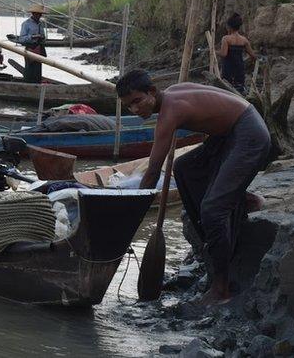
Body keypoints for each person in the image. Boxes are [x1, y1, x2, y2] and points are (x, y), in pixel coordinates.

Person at [116, 69, 271, 305]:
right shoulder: (172, 96)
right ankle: (238, 201)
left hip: (249, 133)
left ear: (152, 92)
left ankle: (221, 288)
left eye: (138, 101)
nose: (135, 109)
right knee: (184, 166)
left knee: (212, 210)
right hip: (227, 136)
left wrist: (131, 217)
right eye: (129, 106)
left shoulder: (170, 111)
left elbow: (153, 172)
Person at [218, 13, 257, 94]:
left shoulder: (226, 39)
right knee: (239, 88)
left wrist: (213, 51)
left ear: (229, 27)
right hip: (239, 68)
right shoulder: (244, 40)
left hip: (228, 68)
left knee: (227, 89)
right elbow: (253, 55)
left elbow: (224, 54)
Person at [17, 3, 47, 83]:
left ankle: (37, 85)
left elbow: (43, 38)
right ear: (33, 14)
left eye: (40, 14)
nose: (39, 16)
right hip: (30, 49)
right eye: (37, 14)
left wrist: (42, 38)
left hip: (39, 49)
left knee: (37, 71)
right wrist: (32, 37)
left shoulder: (40, 24)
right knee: (29, 71)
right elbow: (21, 39)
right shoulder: (26, 24)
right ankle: (28, 86)